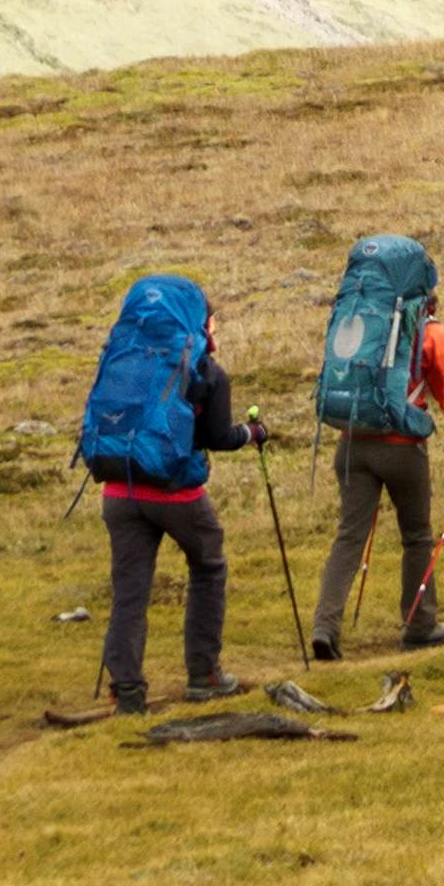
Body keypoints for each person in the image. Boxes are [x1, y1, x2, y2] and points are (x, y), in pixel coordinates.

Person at [312, 264, 444, 654]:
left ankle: (324, 627)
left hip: (352, 442)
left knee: (349, 536)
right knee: (416, 536)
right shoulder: (433, 334)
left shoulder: (361, 322)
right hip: (402, 449)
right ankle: (419, 624)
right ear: (427, 297)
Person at [97, 294, 265, 715]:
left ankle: (127, 691)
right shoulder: (206, 371)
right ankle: (204, 675)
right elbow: (217, 438)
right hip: (177, 493)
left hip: (118, 490)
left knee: (129, 593)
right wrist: (253, 433)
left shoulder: (121, 358)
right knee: (208, 567)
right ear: (200, 322)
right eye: (214, 321)